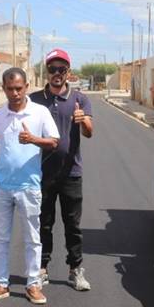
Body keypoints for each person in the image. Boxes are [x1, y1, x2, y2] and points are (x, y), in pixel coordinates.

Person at [0, 67, 59, 305]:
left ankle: (33, 284)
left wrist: (33, 139)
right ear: (3, 89)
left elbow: (54, 142)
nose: (14, 93)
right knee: (1, 237)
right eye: (10, 89)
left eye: (18, 88)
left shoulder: (40, 113)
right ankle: (1, 283)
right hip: (2, 185)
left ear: (26, 87)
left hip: (29, 185)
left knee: (32, 238)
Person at [30, 49, 94, 291]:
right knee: (43, 223)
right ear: (46, 71)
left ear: (68, 72)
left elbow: (89, 133)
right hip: (41, 173)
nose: (57, 73)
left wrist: (83, 120)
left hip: (71, 173)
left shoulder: (80, 100)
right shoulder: (35, 99)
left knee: (72, 225)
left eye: (61, 69)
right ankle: (42, 269)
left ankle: (75, 270)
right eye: (52, 69)